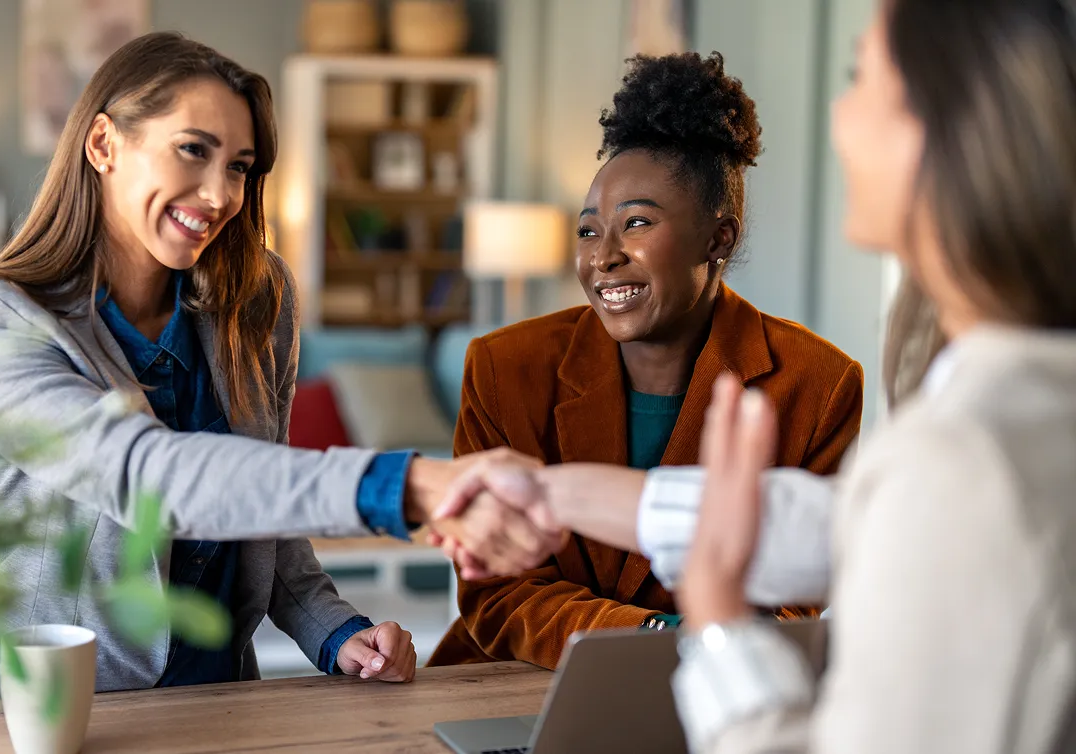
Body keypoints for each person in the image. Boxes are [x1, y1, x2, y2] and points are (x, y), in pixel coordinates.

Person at [442, 0, 1076, 750]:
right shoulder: (1012, 416)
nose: (838, 115)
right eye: (591, 228)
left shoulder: (950, 454)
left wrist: (712, 624)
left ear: (939, 132)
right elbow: (829, 530)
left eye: (860, 79)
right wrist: (551, 493)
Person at [0, 32, 562, 704]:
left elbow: (256, 508)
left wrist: (336, 632)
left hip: (216, 700)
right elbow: (149, 475)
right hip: (39, 713)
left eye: (241, 167)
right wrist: (408, 484)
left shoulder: (257, 300)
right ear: (103, 144)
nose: (221, 193)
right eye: (194, 150)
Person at [426, 51, 863, 671]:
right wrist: (655, 632)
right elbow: (497, 590)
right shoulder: (504, 366)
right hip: (514, 684)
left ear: (719, 238)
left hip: (712, 692)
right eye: (587, 230)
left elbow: (794, 603)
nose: (602, 256)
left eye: (635, 224)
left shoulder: (817, 382)